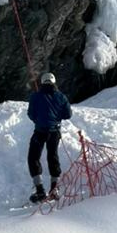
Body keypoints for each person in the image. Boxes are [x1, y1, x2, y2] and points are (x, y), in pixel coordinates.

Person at [26, 72, 72, 203]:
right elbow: (68, 114)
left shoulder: (35, 96)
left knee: (33, 157)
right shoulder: (61, 97)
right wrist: (56, 117)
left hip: (40, 131)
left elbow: (31, 114)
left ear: (42, 82)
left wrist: (39, 120)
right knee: (53, 157)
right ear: (54, 82)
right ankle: (54, 188)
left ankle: (40, 190)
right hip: (54, 132)